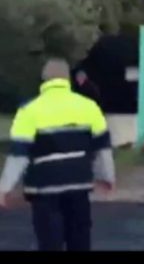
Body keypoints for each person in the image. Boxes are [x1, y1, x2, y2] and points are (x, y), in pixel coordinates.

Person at [0, 58, 116, 251]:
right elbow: (102, 148)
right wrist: (107, 176)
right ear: (67, 79)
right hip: (79, 183)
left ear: (44, 80)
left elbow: (19, 154)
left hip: (44, 187)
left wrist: (5, 187)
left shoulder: (29, 110)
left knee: (49, 241)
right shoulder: (88, 106)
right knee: (79, 240)